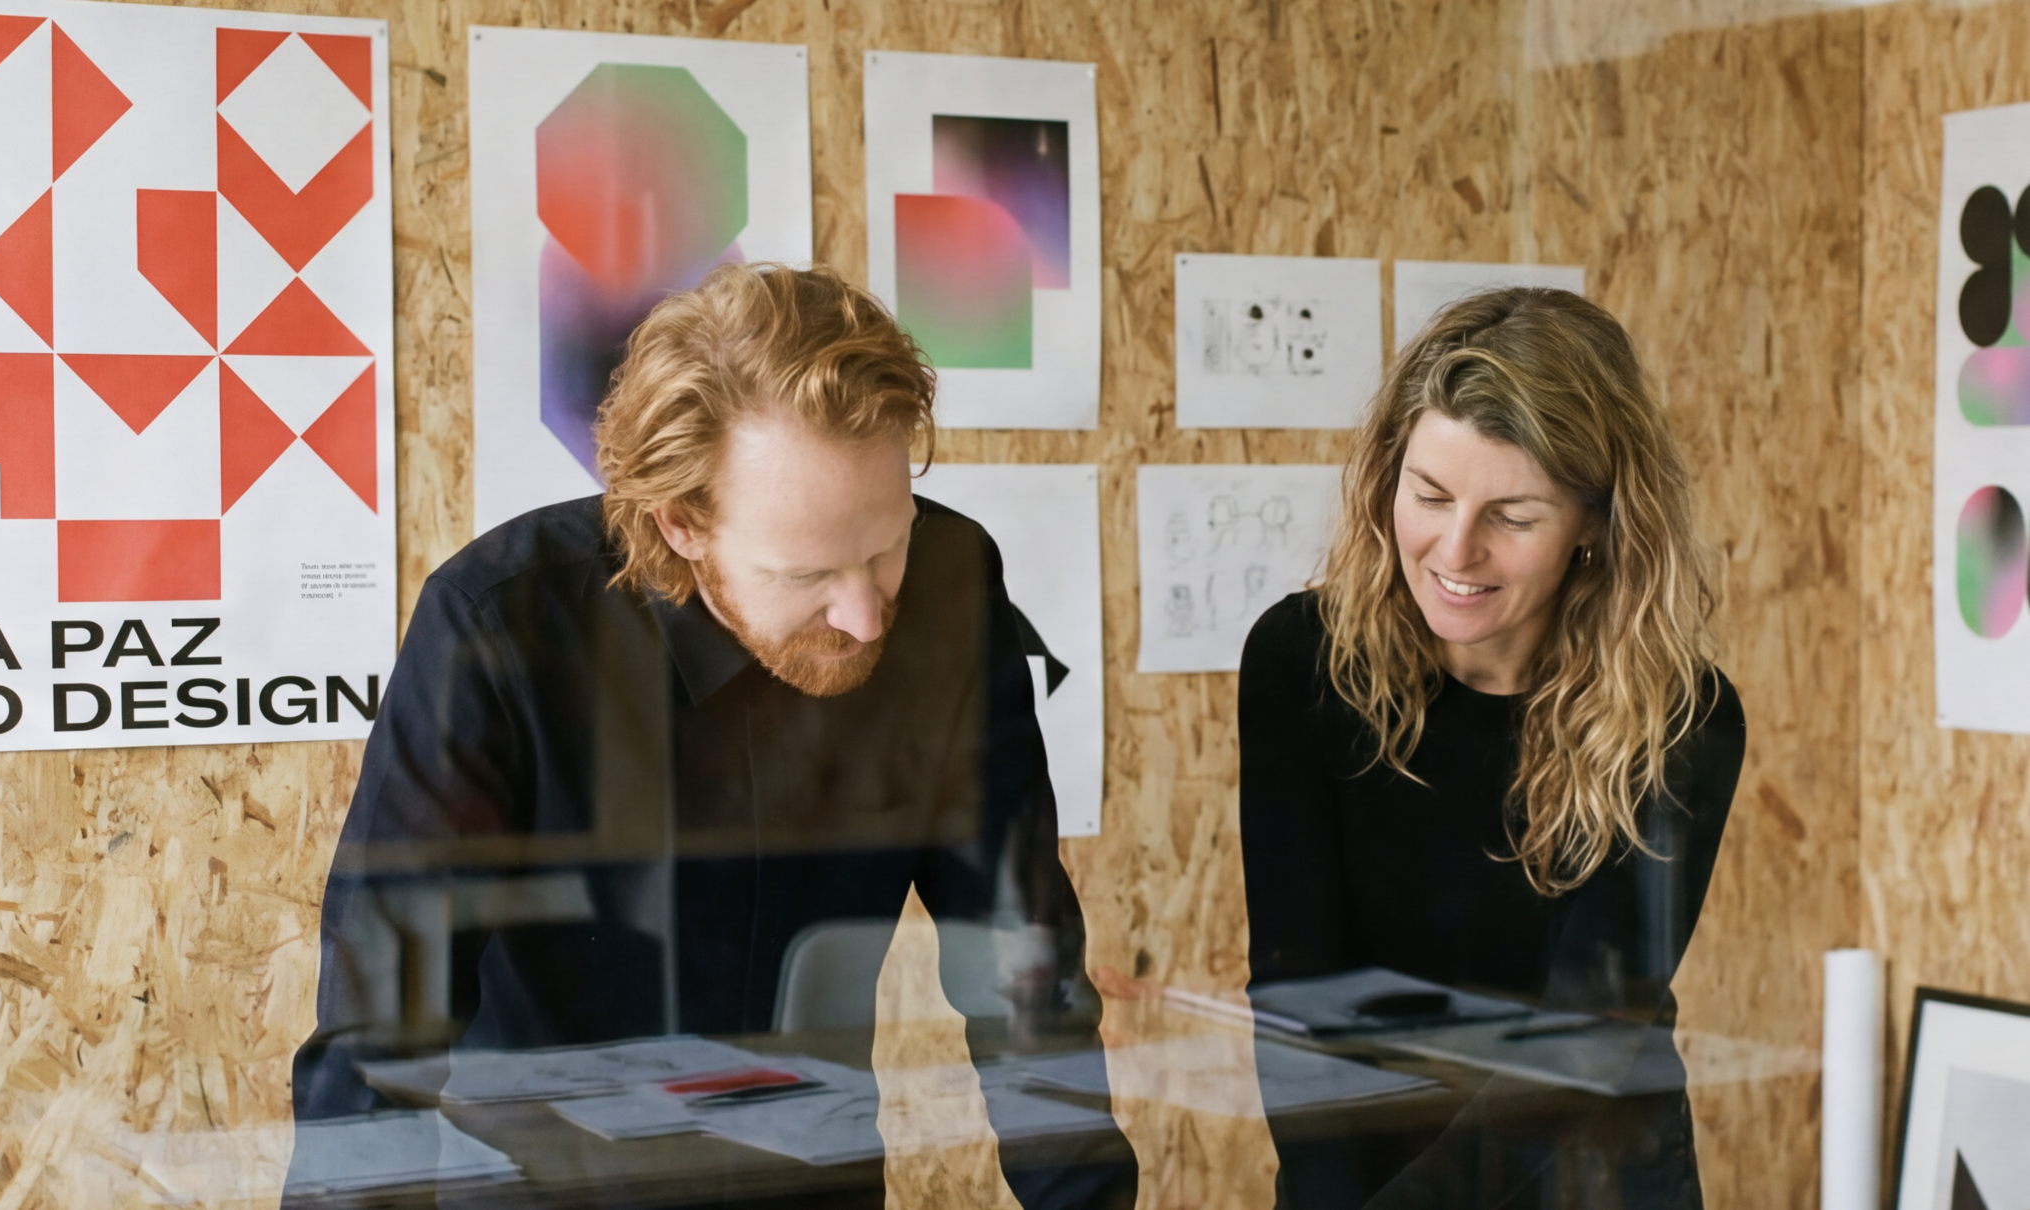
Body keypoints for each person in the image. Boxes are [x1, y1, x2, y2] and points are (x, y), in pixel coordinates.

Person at [289, 262, 1136, 1208]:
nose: (863, 615)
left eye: (886, 545)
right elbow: (375, 1041)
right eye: (806, 573)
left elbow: (1022, 972)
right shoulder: (500, 626)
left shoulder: (949, 585)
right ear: (682, 523)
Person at [1238, 288, 1745, 1207]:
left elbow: (1578, 1040)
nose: (1454, 551)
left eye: (1512, 516)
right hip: (1362, 1173)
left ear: (1596, 523)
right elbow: (1295, 992)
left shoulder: (1682, 718)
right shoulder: (1300, 662)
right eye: (1429, 495)